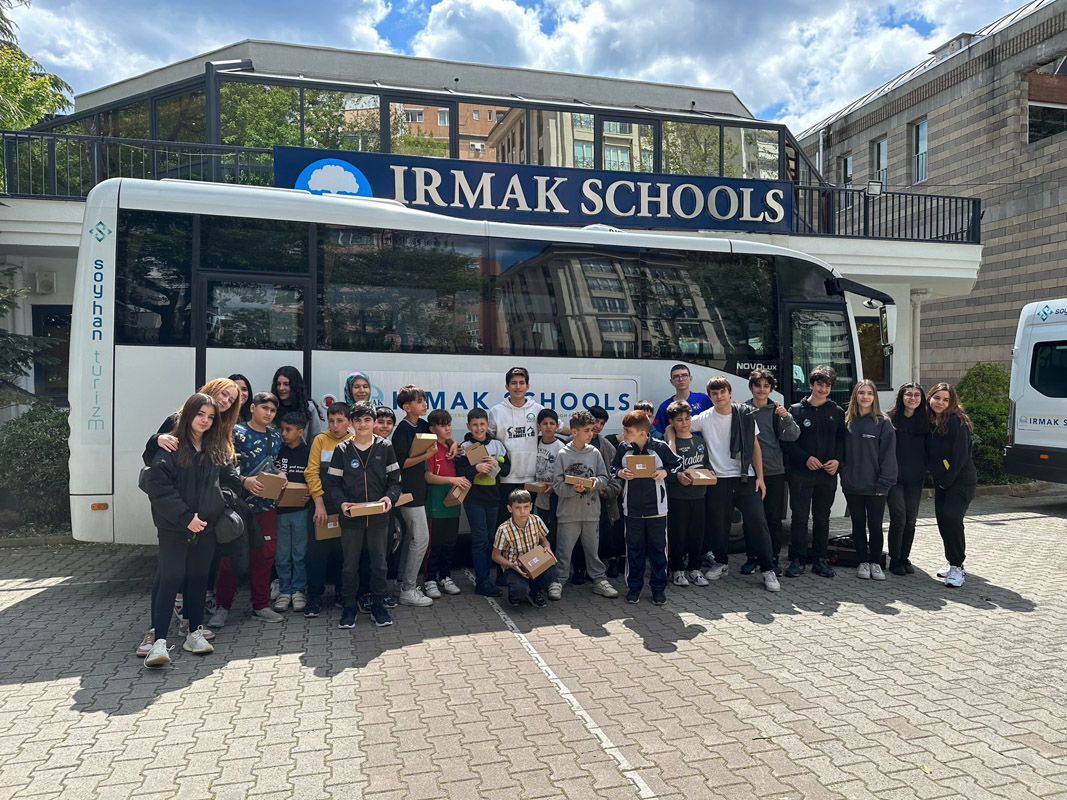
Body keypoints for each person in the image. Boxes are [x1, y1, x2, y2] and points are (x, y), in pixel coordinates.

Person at [136, 377, 240, 656]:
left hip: (205, 525)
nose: (205, 420)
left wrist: (216, 505)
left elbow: (231, 482)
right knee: (169, 578)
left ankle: (193, 631)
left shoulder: (217, 446)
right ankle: (157, 639)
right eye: (200, 415)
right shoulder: (171, 442)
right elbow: (159, 487)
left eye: (211, 416)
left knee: (197, 579)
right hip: (174, 526)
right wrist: (185, 518)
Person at [679, 376, 781, 593]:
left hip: (745, 476)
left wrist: (760, 478)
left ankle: (768, 569)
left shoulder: (744, 414)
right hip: (718, 480)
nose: (719, 396)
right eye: (714, 393)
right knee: (718, 526)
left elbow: (755, 447)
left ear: (730, 393)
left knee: (757, 523)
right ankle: (721, 563)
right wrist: (670, 438)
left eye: (722, 392)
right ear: (710, 396)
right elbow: (678, 425)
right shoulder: (704, 418)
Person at [324, 401, 403, 628]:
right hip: (351, 519)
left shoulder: (385, 447)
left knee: (379, 565)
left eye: (367, 420)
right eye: (357, 420)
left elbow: (395, 482)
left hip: (379, 518)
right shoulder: (342, 450)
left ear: (374, 423)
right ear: (351, 423)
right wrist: (342, 504)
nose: (362, 424)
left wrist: (389, 498)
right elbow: (333, 484)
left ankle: (378, 605)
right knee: (350, 565)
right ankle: (349, 607)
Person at [210, 391, 284, 626]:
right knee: (231, 558)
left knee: (265, 555)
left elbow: (277, 463)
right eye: (265, 408)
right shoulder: (235, 432)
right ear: (252, 407)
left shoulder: (276, 436)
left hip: (266, 506)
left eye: (272, 410)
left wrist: (281, 475)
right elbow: (224, 467)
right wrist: (244, 481)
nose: (268, 413)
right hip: (237, 507)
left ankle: (260, 606)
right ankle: (222, 608)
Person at [607, 410, 682, 605]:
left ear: (642, 433)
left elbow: (676, 465)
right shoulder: (623, 448)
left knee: (658, 549)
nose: (624, 434)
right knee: (634, 549)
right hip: (631, 508)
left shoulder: (660, 447)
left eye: (628, 431)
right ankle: (634, 587)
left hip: (657, 509)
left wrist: (664, 472)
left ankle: (658, 588)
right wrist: (621, 473)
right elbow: (613, 469)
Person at [782, 366, 847, 579]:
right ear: (811, 385)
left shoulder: (837, 412)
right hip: (801, 473)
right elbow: (787, 443)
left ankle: (820, 558)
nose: (823, 388)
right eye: (820, 384)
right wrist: (805, 458)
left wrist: (837, 460)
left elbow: (841, 441)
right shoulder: (796, 410)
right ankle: (798, 559)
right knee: (800, 517)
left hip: (827, 474)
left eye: (828, 385)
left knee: (822, 517)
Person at [549, 410, 617, 600]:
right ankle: (558, 580)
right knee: (563, 552)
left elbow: (605, 478)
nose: (591, 433)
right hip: (568, 513)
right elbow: (557, 485)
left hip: (591, 512)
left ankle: (599, 580)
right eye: (587, 430)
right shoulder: (562, 453)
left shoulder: (595, 453)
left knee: (593, 552)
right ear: (574, 431)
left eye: (592, 429)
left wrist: (596, 483)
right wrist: (573, 489)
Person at [742, 369, 800, 576]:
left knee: (773, 518)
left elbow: (792, 436)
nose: (762, 389)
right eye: (758, 385)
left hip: (774, 471)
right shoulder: (743, 410)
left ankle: (773, 557)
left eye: (766, 386)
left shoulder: (777, 411)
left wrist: (787, 418)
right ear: (752, 387)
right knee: (752, 519)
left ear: (771, 388)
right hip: (749, 472)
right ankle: (752, 558)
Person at [841, 380, 897, 581]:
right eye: (861, 393)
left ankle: (875, 562)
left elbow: (888, 456)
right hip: (853, 485)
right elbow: (841, 453)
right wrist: (844, 474)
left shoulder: (883, 422)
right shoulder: (847, 421)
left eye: (869, 393)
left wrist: (884, 483)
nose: (865, 397)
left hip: (876, 487)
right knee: (857, 524)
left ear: (875, 397)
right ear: (855, 396)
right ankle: (862, 562)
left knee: (875, 525)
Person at [927, 383, 977, 588]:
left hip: (960, 481)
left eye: (946, 399)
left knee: (953, 519)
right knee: (943, 521)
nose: (940, 402)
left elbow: (959, 457)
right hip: (943, 482)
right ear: (930, 398)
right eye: (937, 398)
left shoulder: (957, 421)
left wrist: (946, 482)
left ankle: (958, 567)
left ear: (952, 402)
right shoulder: (931, 421)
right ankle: (951, 560)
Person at [303, 402, 351, 617]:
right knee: (316, 553)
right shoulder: (320, 440)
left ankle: (342, 592)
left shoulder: (353, 442)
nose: (335, 425)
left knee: (344, 552)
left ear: (349, 422)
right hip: (321, 505)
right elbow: (311, 472)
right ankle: (314, 597)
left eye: (340, 421)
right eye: (331, 421)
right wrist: (319, 504)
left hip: (345, 507)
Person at [391, 384, 436, 607]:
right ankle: (408, 590)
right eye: (420, 401)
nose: (424, 404)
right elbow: (401, 464)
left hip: (420, 491)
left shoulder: (424, 425)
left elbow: (440, 436)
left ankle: (402, 583)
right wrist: (426, 455)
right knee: (421, 540)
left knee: (411, 538)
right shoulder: (402, 431)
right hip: (408, 493)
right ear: (406, 407)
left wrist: (452, 443)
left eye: (424, 400)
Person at [456, 408, 510, 597]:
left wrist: (496, 464)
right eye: (474, 425)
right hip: (473, 500)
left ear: (488, 425)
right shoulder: (464, 446)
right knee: (480, 540)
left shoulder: (497, 445)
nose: (478, 428)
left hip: (493, 499)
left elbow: (506, 470)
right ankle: (482, 581)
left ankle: (494, 576)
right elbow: (459, 471)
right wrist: (475, 468)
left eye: (482, 424)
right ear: (468, 426)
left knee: (491, 539)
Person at [423, 409, 470, 599]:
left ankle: (445, 576)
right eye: (443, 426)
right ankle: (429, 580)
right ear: (432, 428)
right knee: (434, 545)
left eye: (449, 424)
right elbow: (427, 476)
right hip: (435, 505)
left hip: (452, 504)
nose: (448, 429)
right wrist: (453, 480)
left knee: (450, 544)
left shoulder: (453, 448)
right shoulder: (430, 448)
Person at [489, 367, 545, 527]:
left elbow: (559, 428)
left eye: (521, 383)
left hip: (531, 479)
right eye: (513, 383)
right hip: (505, 477)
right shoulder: (497, 411)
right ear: (507, 386)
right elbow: (485, 438)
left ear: (528, 386)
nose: (518, 387)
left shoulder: (538, 409)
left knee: (527, 525)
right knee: (505, 524)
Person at [886, 383, 931, 576]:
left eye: (917, 395)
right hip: (893, 478)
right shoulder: (889, 419)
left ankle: (905, 557)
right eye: (908, 394)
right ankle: (894, 560)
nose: (912, 398)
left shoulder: (926, 421)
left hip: (915, 478)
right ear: (901, 397)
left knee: (911, 521)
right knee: (899, 519)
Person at [664, 401, 709, 587]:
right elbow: (666, 471)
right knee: (678, 534)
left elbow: (706, 463)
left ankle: (695, 569)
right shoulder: (669, 445)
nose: (684, 422)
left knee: (696, 535)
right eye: (680, 420)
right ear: (672, 422)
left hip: (699, 495)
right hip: (678, 497)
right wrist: (677, 477)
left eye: (687, 418)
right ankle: (677, 569)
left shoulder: (699, 440)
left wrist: (710, 472)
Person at [492, 489, 560, 608]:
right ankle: (515, 596)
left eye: (526, 507)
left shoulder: (536, 520)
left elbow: (544, 541)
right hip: (514, 567)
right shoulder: (503, 529)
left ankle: (534, 592)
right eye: (518, 507)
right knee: (520, 590)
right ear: (510, 508)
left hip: (534, 563)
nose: (522, 511)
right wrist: (512, 565)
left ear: (531, 506)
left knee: (553, 572)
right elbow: (495, 556)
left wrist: (547, 549)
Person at [274, 411, 311, 611]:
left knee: (299, 553)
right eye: (282, 429)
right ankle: (284, 590)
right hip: (279, 511)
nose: (284, 433)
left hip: (301, 510)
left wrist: (311, 495)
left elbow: (314, 477)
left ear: (300, 431)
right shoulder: (278, 451)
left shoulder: (308, 452)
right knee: (281, 554)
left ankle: (298, 591)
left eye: (288, 430)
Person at [589, 406, 623, 578]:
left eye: (602, 423)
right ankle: (582, 568)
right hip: (579, 500)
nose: (598, 426)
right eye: (595, 421)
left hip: (603, 500)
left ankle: (612, 561)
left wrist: (607, 491)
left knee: (607, 532)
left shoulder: (608, 447)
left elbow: (617, 476)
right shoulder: (571, 443)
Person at [652, 364, 712, 437]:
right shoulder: (665, 406)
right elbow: (657, 434)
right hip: (677, 446)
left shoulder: (703, 399)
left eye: (684, 375)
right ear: (671, 381)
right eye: (676, 377)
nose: (681, 379)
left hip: (702, 446)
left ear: (690, 378)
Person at [533, 409, 563, 544]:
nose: (549, 426)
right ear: (538, 426)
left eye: (552, 423)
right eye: (545, 423)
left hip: (556, 496)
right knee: (541, 530)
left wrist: (555, 487)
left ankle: (555, 560)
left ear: (557, 426)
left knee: (555, 530)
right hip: (540, 498)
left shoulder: (561, 447)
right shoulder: (534, 443)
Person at [271, 366, 323, 444]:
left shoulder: (308, 408)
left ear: (295, 386)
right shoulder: (271, 407)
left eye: (286, 384)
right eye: (278, 384)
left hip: (302, 454)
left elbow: (316, 437)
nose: (281, 388)